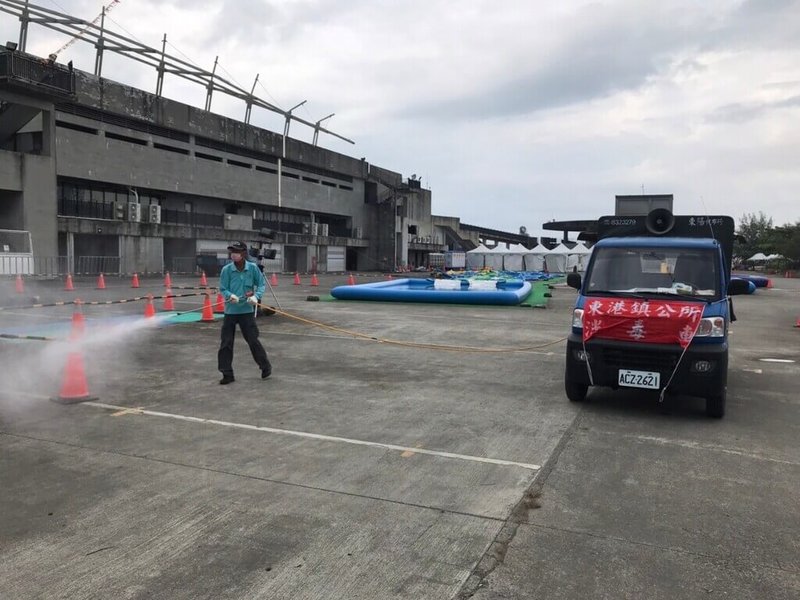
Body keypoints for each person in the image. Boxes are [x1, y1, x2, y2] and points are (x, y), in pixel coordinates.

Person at [217, 241, 272, 384]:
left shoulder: (253, 268)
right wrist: (230, 296)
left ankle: (265, 366)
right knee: (226, 342)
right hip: (230, 311)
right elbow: (222, 288)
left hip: (246, 311)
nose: (233, 254)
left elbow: (261, 285)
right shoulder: (227, 270)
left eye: (236, 251)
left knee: (253, 340)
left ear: (243, 253)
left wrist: (256, 297)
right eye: (232, 252)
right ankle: (227, 374)